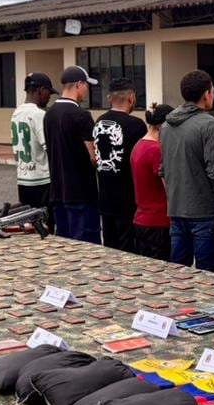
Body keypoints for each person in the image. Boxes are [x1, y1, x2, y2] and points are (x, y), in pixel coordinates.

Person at [159, 70, 214, 271]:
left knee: (179, 273)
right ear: (206, 94)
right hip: (204, 211)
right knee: (207, 275)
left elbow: (163, 170)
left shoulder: (166, 126)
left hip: (176, 209)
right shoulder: (210, 125)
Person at [43, 65, 100, 243]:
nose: (87, 90)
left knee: (64, 243)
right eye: (86, 85)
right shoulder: (81, 115)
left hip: (58, 191)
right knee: (85, 245)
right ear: (78, 84)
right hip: (81, 193)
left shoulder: (49, 114)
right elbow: (93, 156)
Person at [92, 77, 147, 252]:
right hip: (128, 199)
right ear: (132, 98)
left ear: (109, 98)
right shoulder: (136, 125)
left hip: (105, 197)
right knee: (128, 248)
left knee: (110, 247)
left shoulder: (99, 122)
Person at [130, 103, 173, 261]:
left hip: (141, 219)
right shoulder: (156, 150)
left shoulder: (138, 146)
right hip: (159, 221)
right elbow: (169, 187)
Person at [9, 72, 53, 221]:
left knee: (29, 223)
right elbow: (50, 148)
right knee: (45, 224)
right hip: (42, 180)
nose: (49, 97)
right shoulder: (38, 114)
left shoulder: (16, 113)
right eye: (49, 92)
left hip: (23, 179)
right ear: (41, 90)